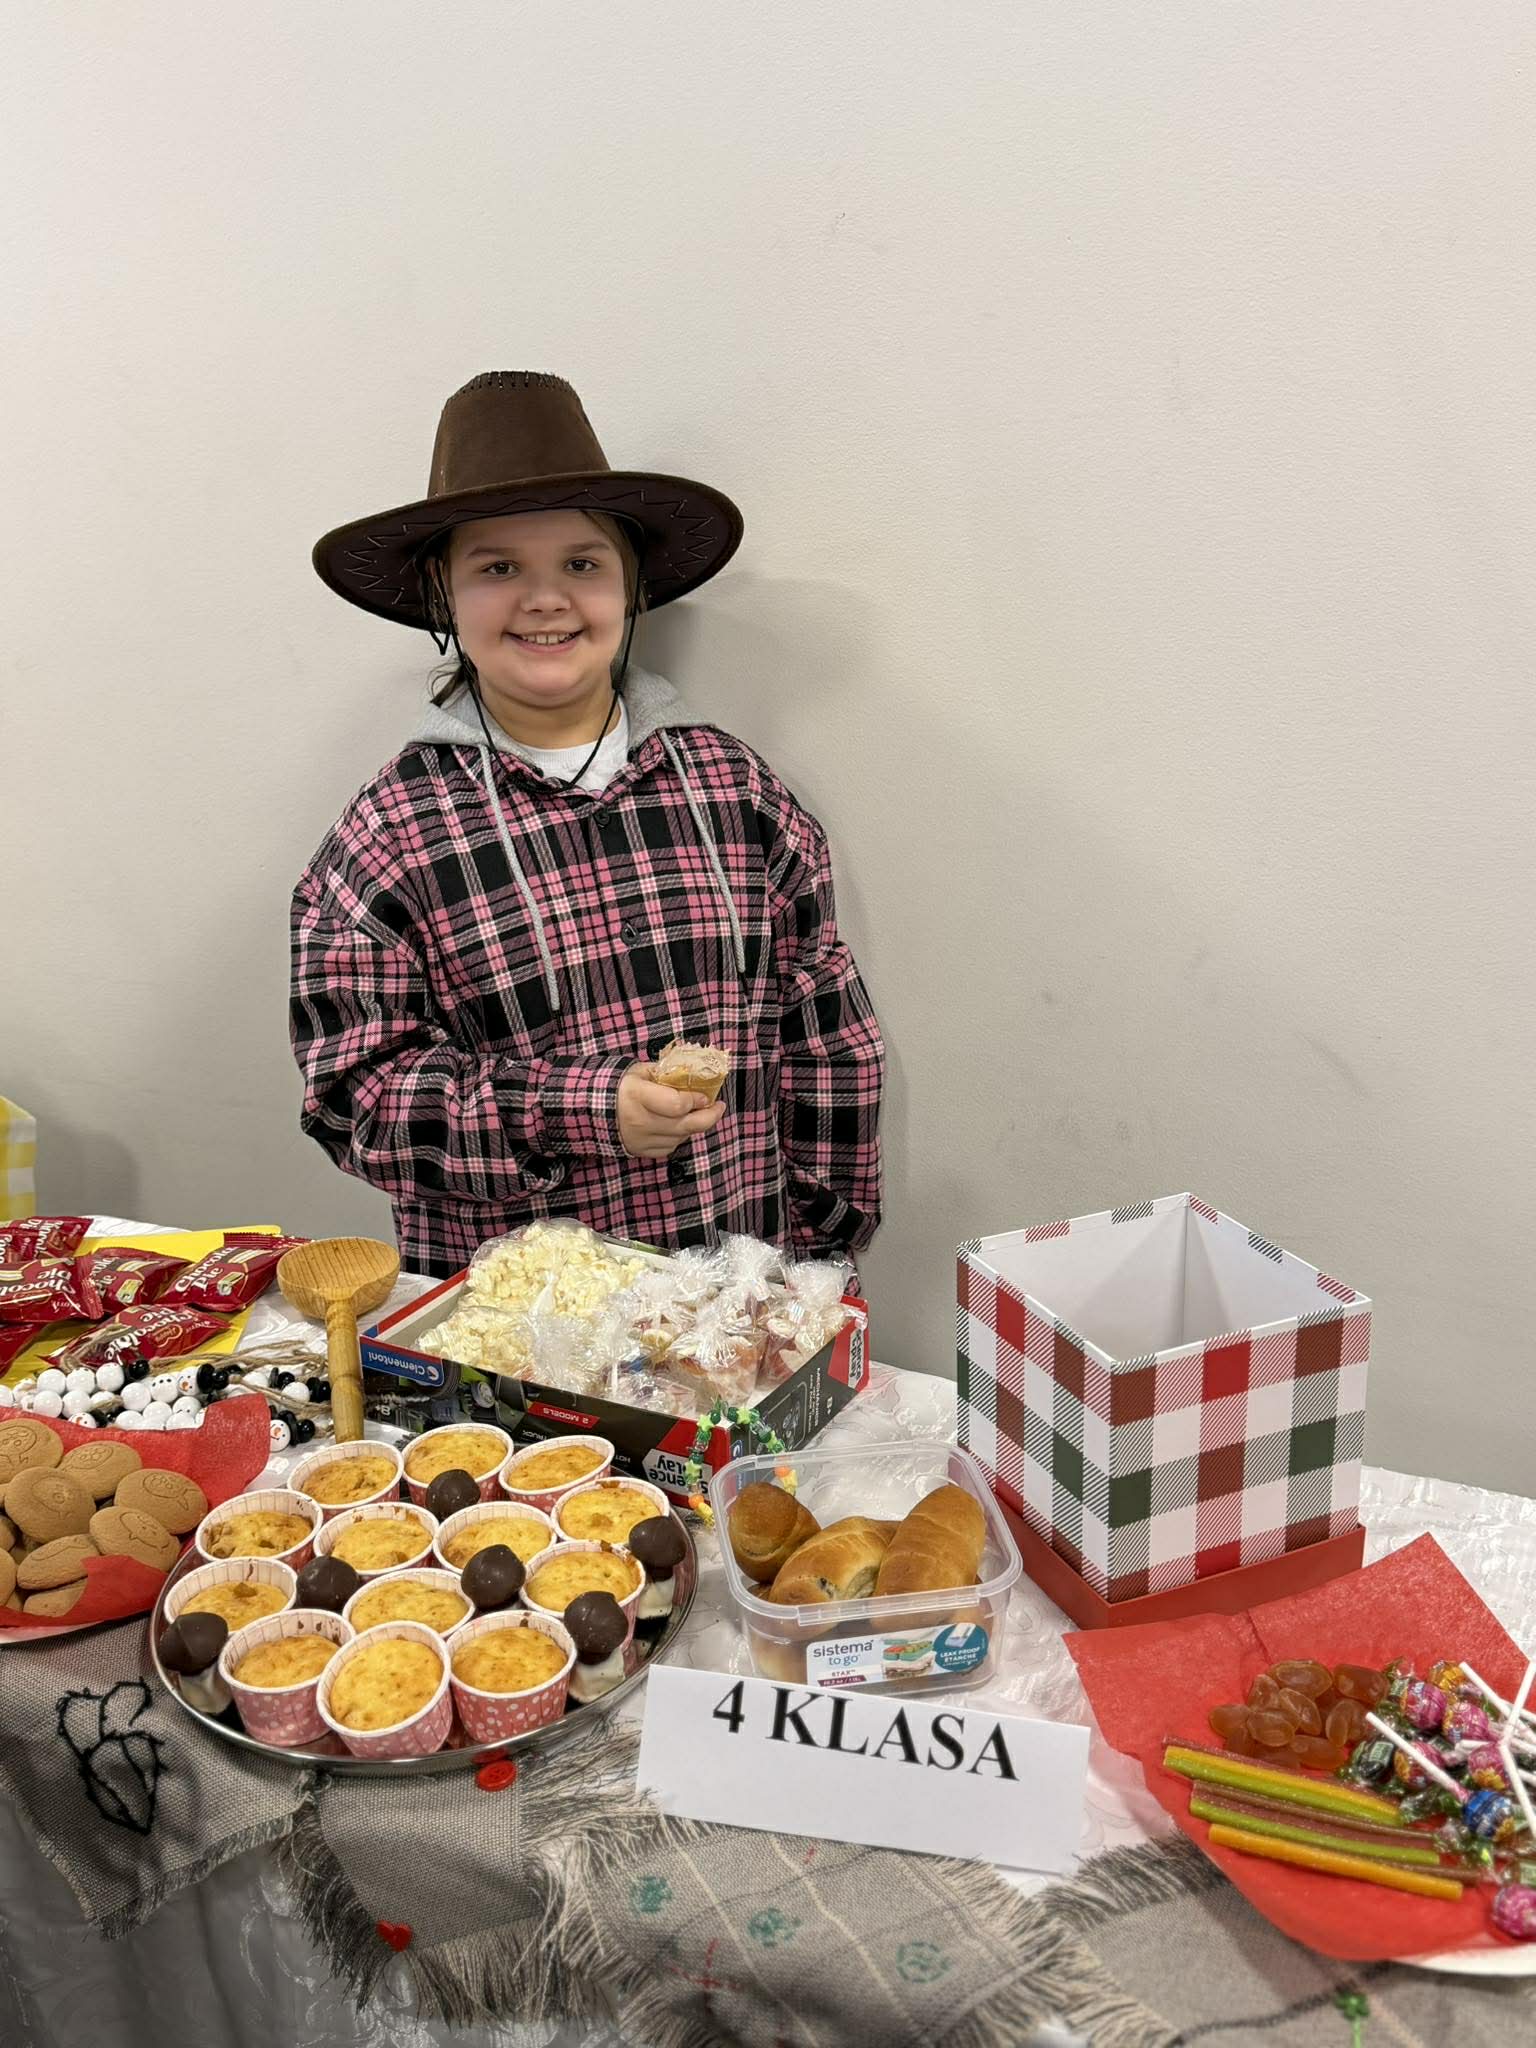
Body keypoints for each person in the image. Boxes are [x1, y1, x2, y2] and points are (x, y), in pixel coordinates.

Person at [291, 371, 884, 1278]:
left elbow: (827, 1031)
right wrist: (581, 1109)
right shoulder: (388, 837)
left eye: (582, 564)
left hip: (738, 1301)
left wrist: (820, 1259)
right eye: (497, 568)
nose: (545, 599)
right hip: (510, 1331)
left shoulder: (736, 790)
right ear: (442, 595)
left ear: (631, 586)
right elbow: (356, 1098)